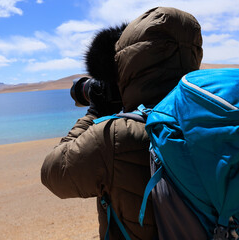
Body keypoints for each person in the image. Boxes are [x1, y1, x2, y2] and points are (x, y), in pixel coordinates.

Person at [41, 7, 203, 240]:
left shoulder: (117, 136)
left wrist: (96, 112)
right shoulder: (216, 119)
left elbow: (52, 172)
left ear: (130, 62)